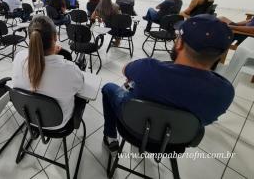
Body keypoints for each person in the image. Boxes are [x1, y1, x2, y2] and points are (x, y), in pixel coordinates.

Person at [101, 15, 234, 152]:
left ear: (179, 43)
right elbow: (204, 121)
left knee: (108, 88)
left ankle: (110, 136)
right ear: (221, 55)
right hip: (176, 143)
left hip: (131, 128)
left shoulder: (147, 67)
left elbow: (125, 69)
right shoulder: (225, 91)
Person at [12, 15, 84, 129]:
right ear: (55, 37)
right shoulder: (69, 70)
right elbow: (80, 86)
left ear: (30, 39)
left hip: (29, 116)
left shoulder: (19, 57)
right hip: (58, 124)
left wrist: (51, 54)